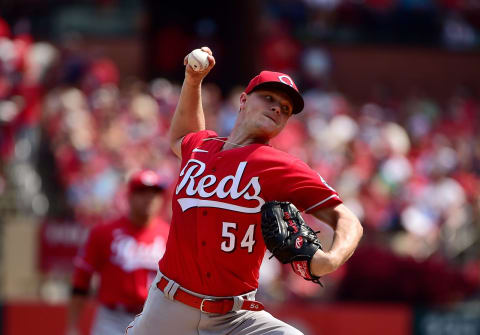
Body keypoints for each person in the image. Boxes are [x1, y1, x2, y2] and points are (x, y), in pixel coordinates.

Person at [126, 47, 363, 335]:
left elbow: (347, 219)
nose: (277, 107)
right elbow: (180, 136)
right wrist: (192, 80)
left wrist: (331, 259)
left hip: (234, 318)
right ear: (243, 100)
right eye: (269, 98)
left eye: (285, 108)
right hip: (168, 307)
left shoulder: (281, 166)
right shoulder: (201, 148)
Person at [66, 169, 170, 335]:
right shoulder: (104, 233)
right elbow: (81, 280)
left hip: (154, 317)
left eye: (155, 193)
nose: (149, 198)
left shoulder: (170, 235)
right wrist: (72, 326)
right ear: (130, 196)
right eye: (142, 192)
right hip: (113, 317)